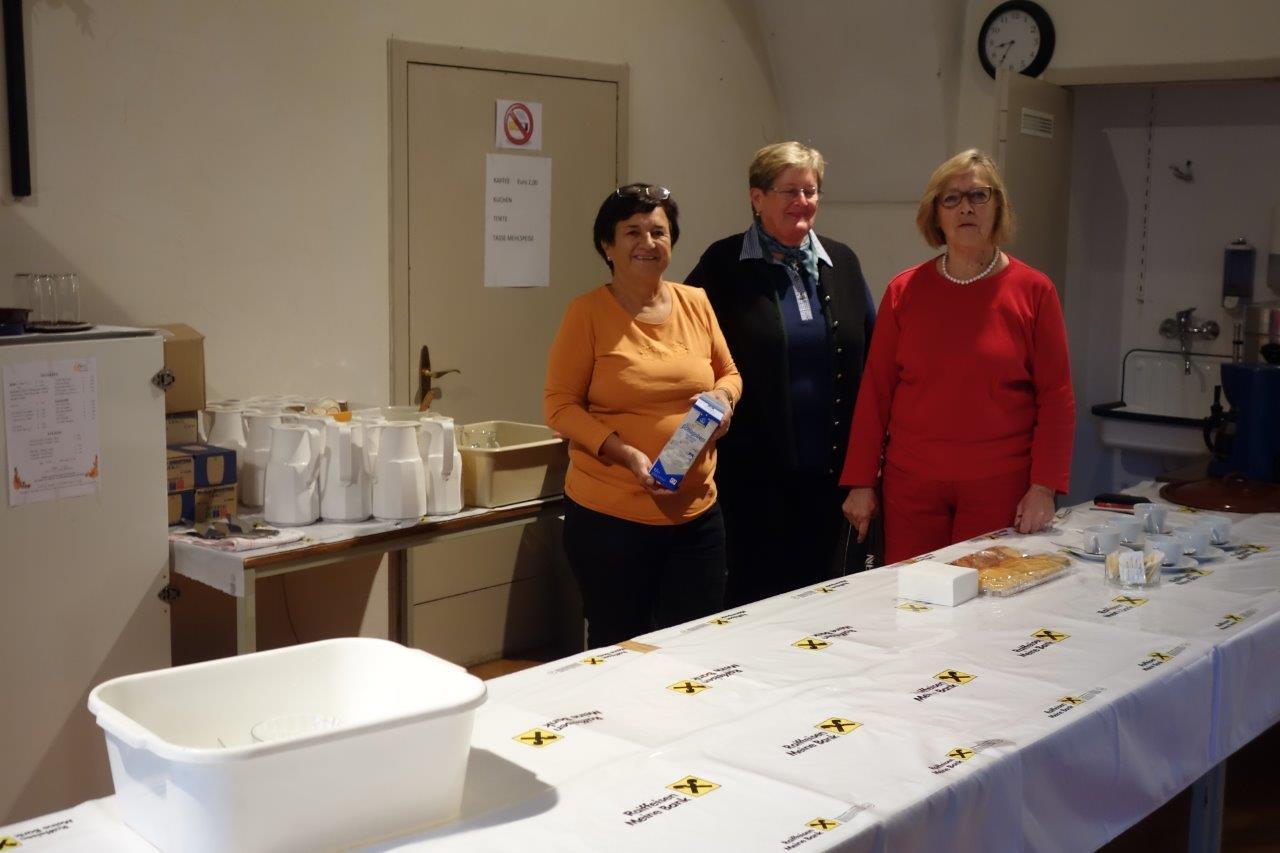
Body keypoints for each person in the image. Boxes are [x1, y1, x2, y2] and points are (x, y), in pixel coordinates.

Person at [840, 149, 1074, 565]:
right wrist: (861, 482)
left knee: (988, 597)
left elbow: (1056, 397)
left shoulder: (1035, 291)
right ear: (936, 214)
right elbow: (876, 391)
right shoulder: (904, 291)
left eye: (979, 195)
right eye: (951, 198)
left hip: (999, 486)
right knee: (911, 596)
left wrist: (1044, 488)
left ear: (998, 207)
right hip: (911, 488)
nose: (966, 207)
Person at [544, 184, 743, 648]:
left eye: (658, 232)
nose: (647, 243)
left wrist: (723, 399)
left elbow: (730, 372)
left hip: (697, 514)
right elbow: (559, 405)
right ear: (607, 246)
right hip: (610, 518)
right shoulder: (587, 313)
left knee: (694, 648)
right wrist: (626, 453)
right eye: (632, 232)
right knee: (621, 650)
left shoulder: (696, 302)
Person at [686, 142, 875, 605]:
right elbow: (681, 352)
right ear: (757, 197)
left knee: (829, 606)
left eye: (811, 191)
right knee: (758, 608)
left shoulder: (843, 262)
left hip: (833, 485)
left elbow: (875, 365)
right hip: (751, 488)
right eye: (789, 191)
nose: (802, 202)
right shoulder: (722, 265)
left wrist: (867, 475)